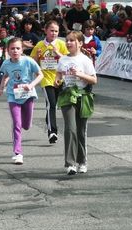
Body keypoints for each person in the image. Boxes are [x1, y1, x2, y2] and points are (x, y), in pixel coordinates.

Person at [55, 31, 97, 175]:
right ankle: (70, 163)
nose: (68, 43)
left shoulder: (85, 60)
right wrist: (58, 80)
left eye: (72, 40)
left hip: (83, 96)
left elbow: (94, 80)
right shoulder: (63, 60)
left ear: (80, 43)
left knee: (80, 131)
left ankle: (82, 161)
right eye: (67, 40)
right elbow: (59, 74)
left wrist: (79, 74)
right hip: (67, 96)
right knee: (70, 128)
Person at [0, 38, 43, 165]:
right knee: (17, 124)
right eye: (12, 48)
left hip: (28, 95)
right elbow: (5, 76)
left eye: (18, 48)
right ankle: (18, 153)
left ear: (22, 50)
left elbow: (40, 74)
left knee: (26, 125)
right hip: (13, 96)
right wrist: (1, 89)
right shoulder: (6, 63)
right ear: (8, 51)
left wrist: (31, 85)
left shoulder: (28, 61)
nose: (15, 51)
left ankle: (25, 123)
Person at [30, 20, 69, 144]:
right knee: (51, 104)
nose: (54, 33)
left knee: (55, 105)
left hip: (59, 78)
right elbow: (33, 63)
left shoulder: (62, 44)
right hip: (46, 78)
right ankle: (52, 131)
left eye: (56, 31)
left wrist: (58, 53)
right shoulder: (40, 45)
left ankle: (49, 121)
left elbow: (69, 61)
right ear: (45, 31)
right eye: (51, 30)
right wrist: (38, 55)